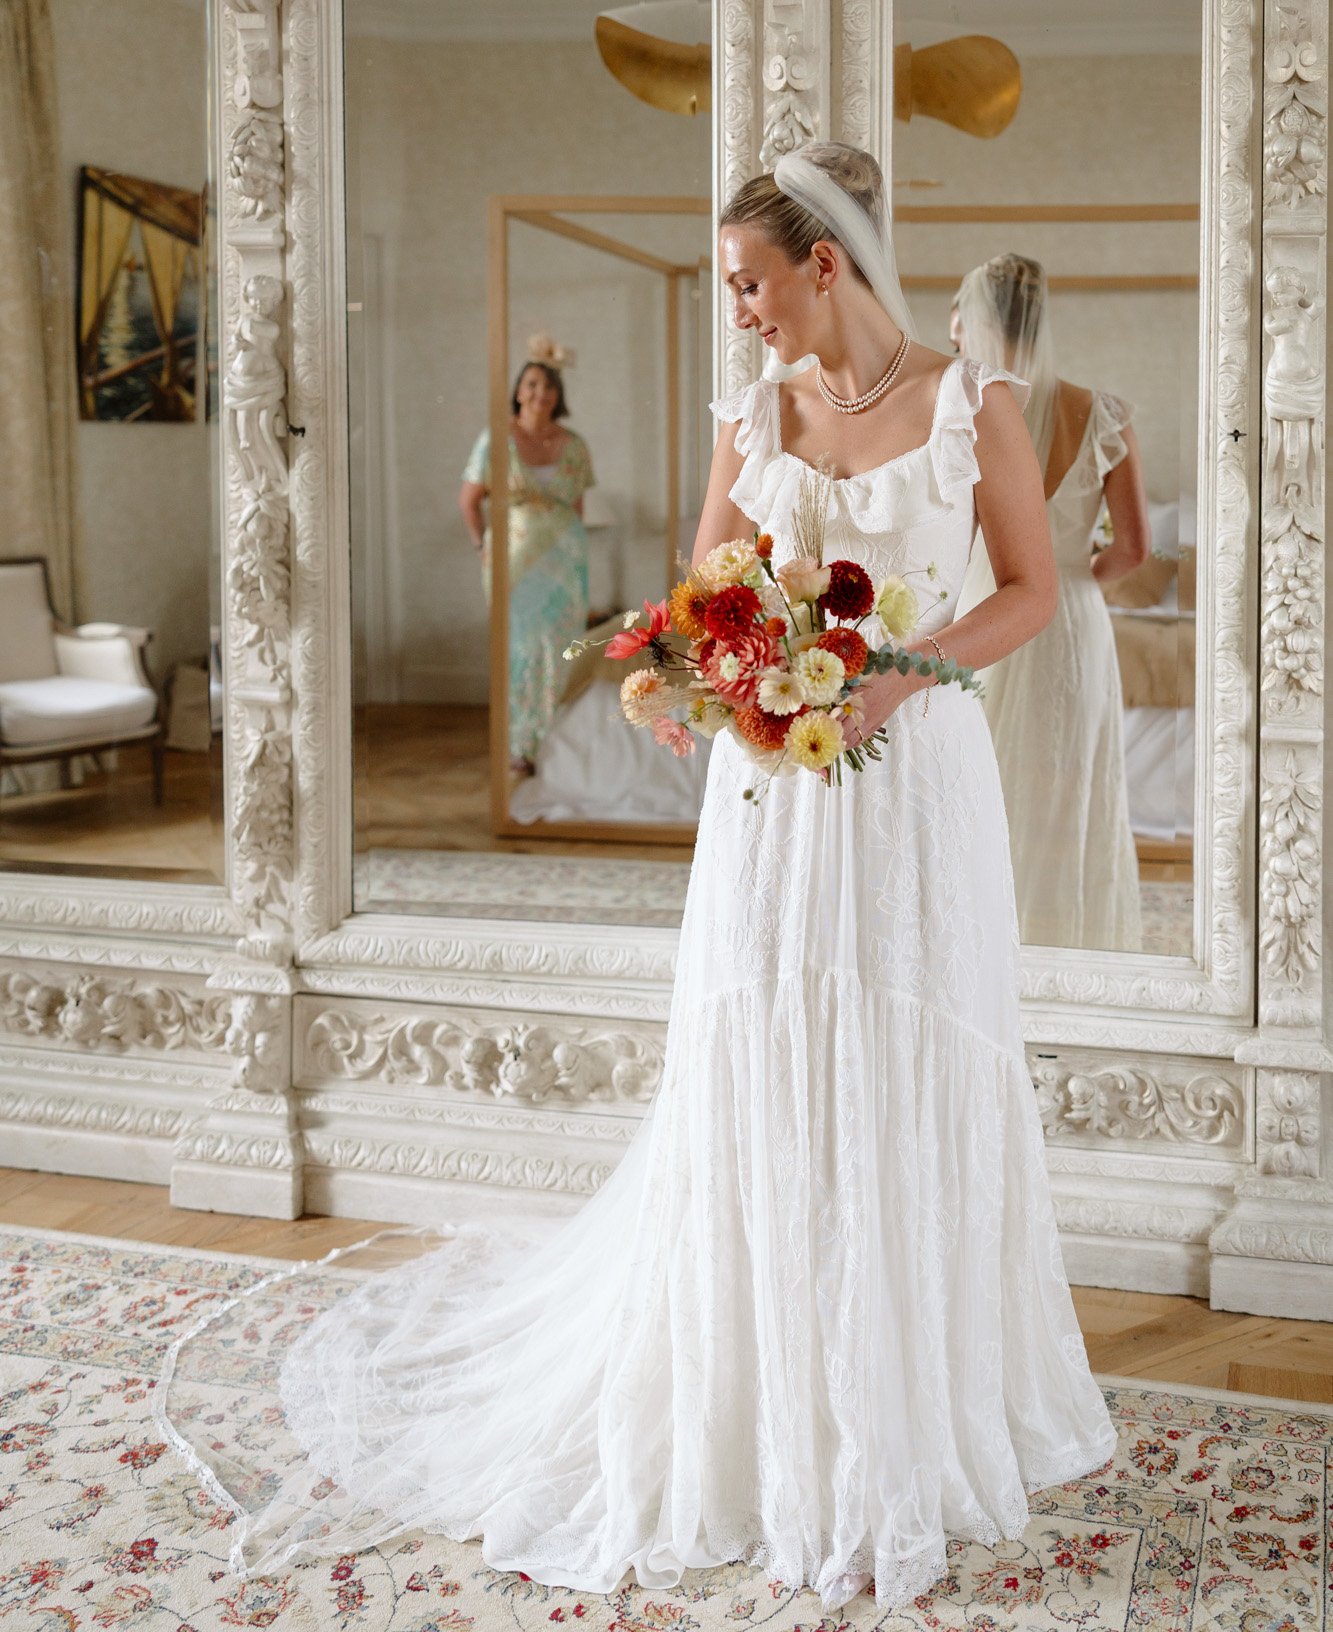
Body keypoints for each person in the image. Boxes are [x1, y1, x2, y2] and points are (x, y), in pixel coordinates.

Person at [160, 145, 1115, 1612]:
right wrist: (692, 677)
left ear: (826, 262)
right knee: (762, 1054)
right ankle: (755, 1393)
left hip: (916, 784)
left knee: (904, 1046)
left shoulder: (969, 407)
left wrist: (896, 680)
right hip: (770, 793)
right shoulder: (758, 413)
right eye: (730, 285)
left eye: (749, 282)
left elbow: (1032, 594)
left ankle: (906, 1398)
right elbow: (703, 595)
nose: (740, 311)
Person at [952, 254, 1150, 951]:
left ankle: (976, 939)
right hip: (1071, 615)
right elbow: (1132, 550)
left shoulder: (969, 411)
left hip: (985, 605)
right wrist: (1068, 585)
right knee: (1068, 783)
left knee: (975, 778)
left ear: (976, 320)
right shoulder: (1106, 415)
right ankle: (1067, 944)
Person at [459, 343, 594, 774]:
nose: (541, 393)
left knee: (561, 647)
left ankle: (555, 741)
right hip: (514, 562)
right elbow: (469, 501)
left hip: (566, 561)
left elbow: (577, 507)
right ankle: (520, 745)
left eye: (550, 386)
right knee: (519, 650)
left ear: (559, 394)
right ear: (518, 389)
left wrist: (576, 553)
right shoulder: (496, 439)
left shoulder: (574, 444)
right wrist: (483, 548)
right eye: (533, 383)